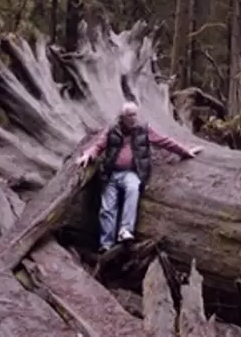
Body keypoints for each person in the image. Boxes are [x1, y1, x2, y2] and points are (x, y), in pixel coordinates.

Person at [77, 101, 203, 252]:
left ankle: (125, 230)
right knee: (107, 208)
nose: (133, 118)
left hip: (131, 173)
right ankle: (106, 244)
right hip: (111, 174)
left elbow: (165, 141)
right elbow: (98, 146)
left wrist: (185, 151)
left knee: (132, 189)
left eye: (135, 114)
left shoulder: (144, 130)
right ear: (122, 117)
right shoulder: (112, 130)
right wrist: (88, 155)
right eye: (129, 115)